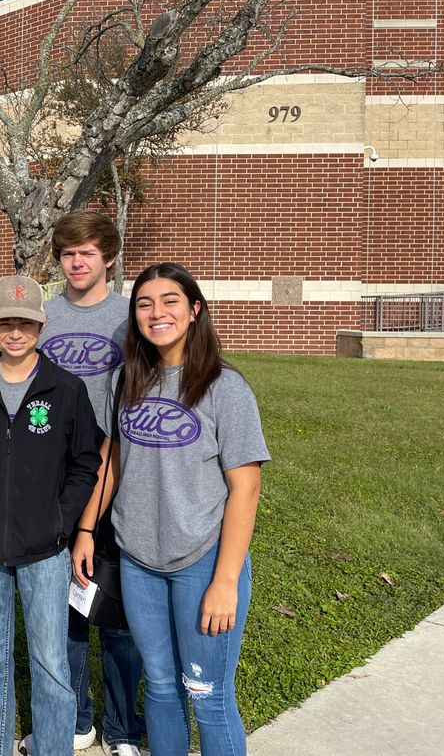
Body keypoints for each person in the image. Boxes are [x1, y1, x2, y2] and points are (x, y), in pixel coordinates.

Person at [72, 263, 268, 756]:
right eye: (145, 303)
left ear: (195, 309)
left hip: (201, 562)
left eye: (170, 301)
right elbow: (111, 461)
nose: (157, 313)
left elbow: (245, 488)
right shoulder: (126, 378)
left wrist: (225, 581)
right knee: (159, 688)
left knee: (209, 695)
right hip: (138, 561)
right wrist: (86, 530)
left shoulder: (225, 387)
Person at [0, 275, 100, 756]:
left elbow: (85, 462)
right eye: (5, 323)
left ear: (41, 325)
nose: (15, 333)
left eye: (26, 324)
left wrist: (62, 518)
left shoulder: (66, 390)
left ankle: (54, 748)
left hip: (45, 549)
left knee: (51, 663)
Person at [24, 211, 145, 756]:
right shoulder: (43, 317)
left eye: (88, 253)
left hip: (124, 479)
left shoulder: (130, 318)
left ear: (110, 257)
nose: (76, 262)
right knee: (68, 612)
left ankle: (123, 729)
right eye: (68, 253)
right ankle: (76, 720)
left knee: (117, 616)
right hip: (62, 482)